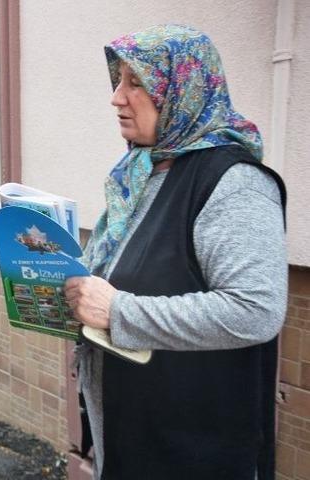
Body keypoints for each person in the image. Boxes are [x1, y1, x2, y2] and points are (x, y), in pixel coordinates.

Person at [65, 25, 287, 480]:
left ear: (183, 89)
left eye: (137, 82)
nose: (117, 98)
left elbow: (256, 310)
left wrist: (119, 312)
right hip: (132, 433)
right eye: (119, 81)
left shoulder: (234, 183)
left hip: (192, 451)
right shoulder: (141, 172)